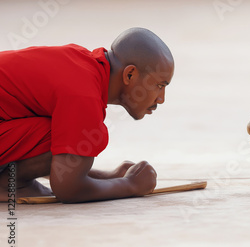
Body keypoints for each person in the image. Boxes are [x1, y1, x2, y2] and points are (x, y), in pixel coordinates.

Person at [0, 27, 174, 203]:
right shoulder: (84, 95)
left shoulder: (81, 63)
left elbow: (63, 161)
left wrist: (109, 177)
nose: (161, 99)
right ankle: (12, 184)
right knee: (73, 131)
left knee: (66, 128)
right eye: (159, 85)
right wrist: (130, 185)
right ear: (130, 74)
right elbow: (68, 188)